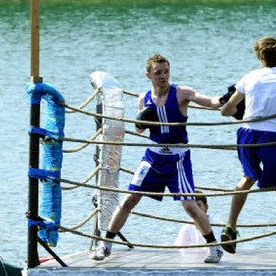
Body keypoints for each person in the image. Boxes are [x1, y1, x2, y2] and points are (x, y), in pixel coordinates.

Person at [92, 53, 224, 264]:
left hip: (177, 158)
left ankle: (214, 248)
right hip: (153, 156)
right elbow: (139, 129)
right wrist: (143, 121)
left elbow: (208, 101)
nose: (163, 76)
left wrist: (224, 99)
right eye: (158, 73)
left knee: (190, 205)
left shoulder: (181, 93)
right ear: (148, 75)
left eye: (166, 72)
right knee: (129, 199)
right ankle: (105, 244)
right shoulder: (143, 98)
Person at [219, 36, 276, 268]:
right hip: (272, 137)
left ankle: (230, 226)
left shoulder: (249, 77)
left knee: (247, 177)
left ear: (260, 57)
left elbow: (226, 110)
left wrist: (234, 107)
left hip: (246, 134)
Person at [174, 190, 223, 257]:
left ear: (206, 207)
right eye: (193, 206)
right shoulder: (187, 226)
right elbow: (178, 247)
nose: (196, 209)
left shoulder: (217, 224)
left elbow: (221, 248)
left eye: (198, 205)